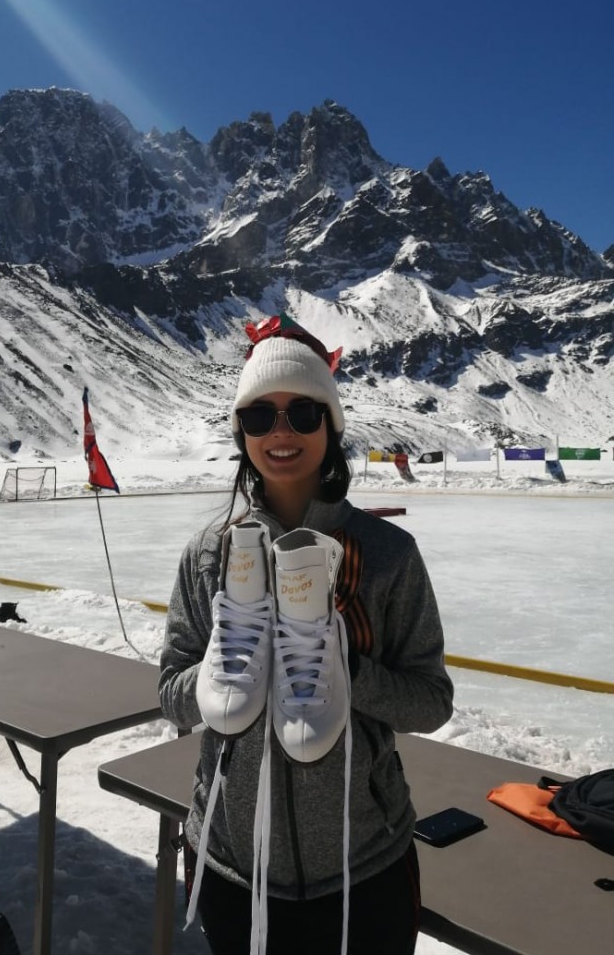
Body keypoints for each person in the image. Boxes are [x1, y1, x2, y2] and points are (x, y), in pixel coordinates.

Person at [159, 313, 453, 955]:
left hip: (365, 868)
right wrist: (218, 671)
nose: (281, 432)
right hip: (232, 866)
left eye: (303, 412)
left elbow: (431, 702)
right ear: (241, 432)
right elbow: (171, 693)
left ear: (332, 424)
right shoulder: (209, 554)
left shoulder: (387, 556)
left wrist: (344, 664)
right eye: (260, 417)